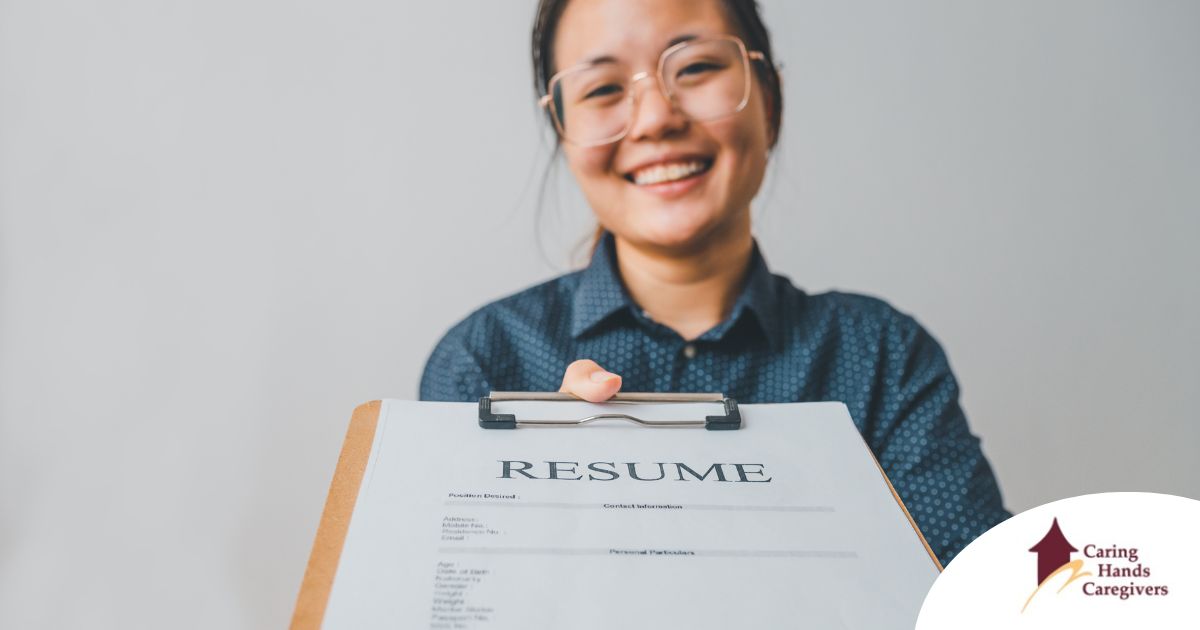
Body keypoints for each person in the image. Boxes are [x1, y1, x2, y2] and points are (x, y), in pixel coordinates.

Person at [420, 0, 1010, 564]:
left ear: (770, 102)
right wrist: (540, 503)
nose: (655, 119)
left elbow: (987, 604)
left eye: (697, 67)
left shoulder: (881, 358)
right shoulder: (484, 362)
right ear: (565, 135)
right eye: (602, 89)